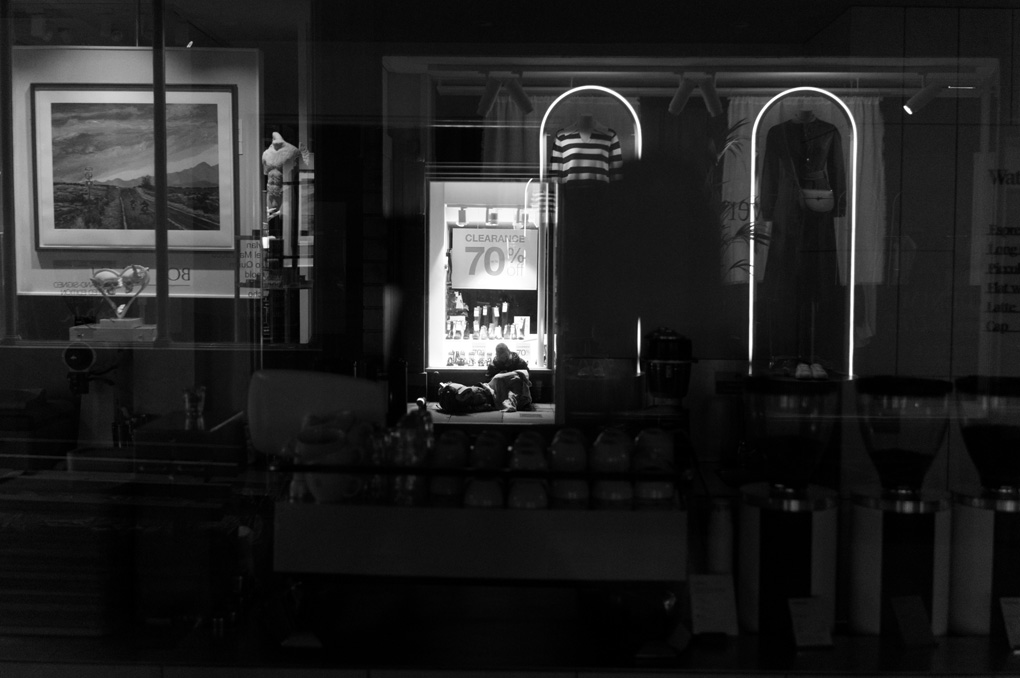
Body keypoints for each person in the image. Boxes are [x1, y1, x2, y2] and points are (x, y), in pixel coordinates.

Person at [484, 343, 532, 412]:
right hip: (501, 388)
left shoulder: (519, 362)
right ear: (497, 356)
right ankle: (513, 404)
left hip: (514, 386)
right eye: (502, 358)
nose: (504, 359)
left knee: (517, 381)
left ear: (508, 353)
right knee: (499, 379)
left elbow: (527, 376)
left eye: (506, 356)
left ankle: (510, 404)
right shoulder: (493, 365)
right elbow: (489, 380)